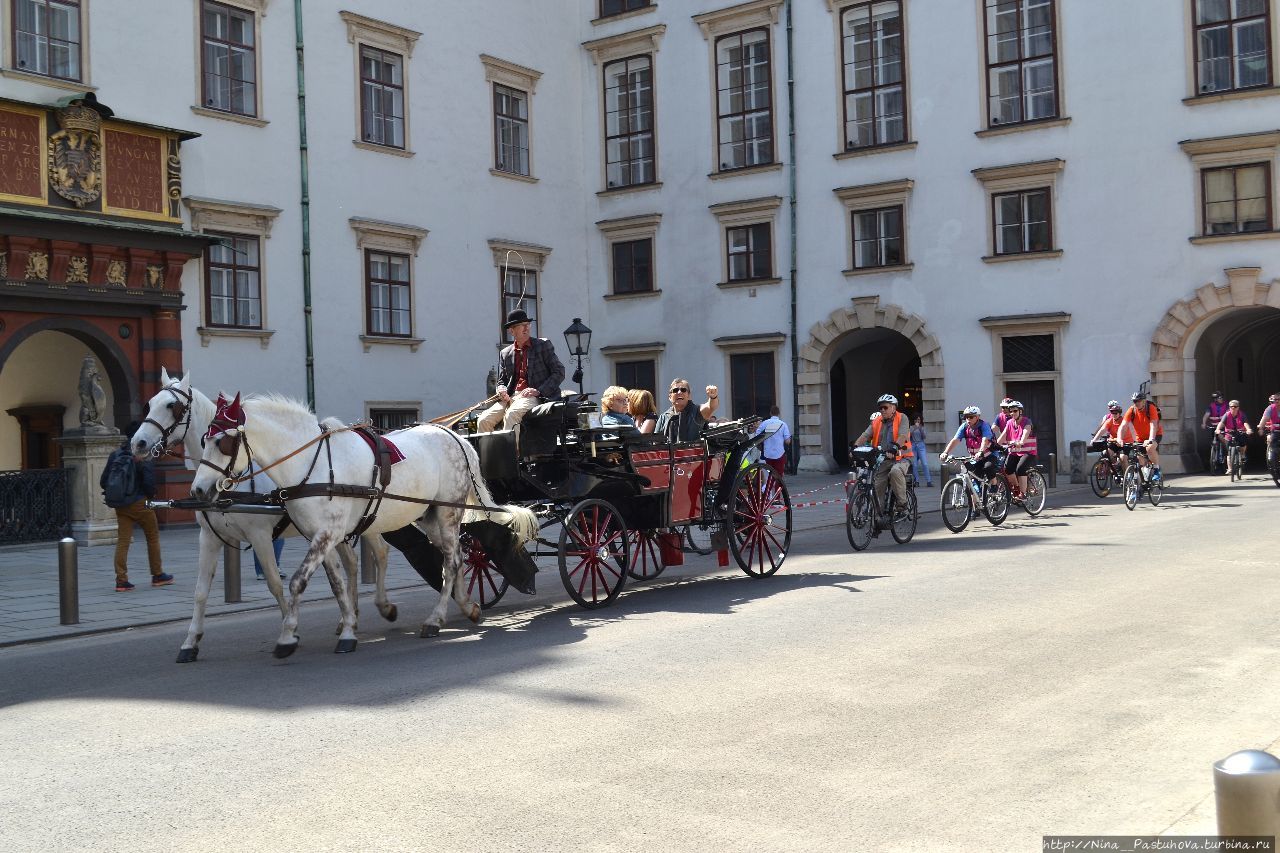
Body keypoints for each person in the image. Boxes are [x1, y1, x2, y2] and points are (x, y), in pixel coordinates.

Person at [102, 422, 173, 592]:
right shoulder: (142, 454)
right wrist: (151, 495)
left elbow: (103, 481)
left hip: (121, 505)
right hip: (141, 503)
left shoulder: (115, 455)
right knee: (152, 537)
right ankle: (157, 575)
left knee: (123, 541)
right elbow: (148, 482)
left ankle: (121, 580)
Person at [477, 308, 565, 433]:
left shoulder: (542, 345)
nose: (526, 328)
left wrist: (538, 391)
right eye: (521, 325)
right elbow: (501, 381)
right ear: (511, 330)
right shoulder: (505, 353)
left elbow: (559, 372)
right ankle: (488, 453)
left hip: (536, 396)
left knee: (512, 415)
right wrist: (501, 389)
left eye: (528, 324)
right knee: (483, 420)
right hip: (511, 397)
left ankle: (512, 453)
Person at [853, 393, 913, 523]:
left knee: (895, 472)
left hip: (902, 458)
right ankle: (878, 517)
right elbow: (865, 435)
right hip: (884, 460)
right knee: (877, 484)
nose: (882, 410)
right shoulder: (877, 421)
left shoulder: (902, 418)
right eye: (880, 408)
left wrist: (895, 447)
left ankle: (902, 507)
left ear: (893, 407)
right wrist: (855, 447)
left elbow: (903, 435)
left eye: (885, 407)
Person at [939, 405, 1000, 485]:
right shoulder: (964, 427)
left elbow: (985, 440)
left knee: (988, 468)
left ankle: (994, 486)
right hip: (975, 457)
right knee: (974, 479)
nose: (968, 419)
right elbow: (955, 440)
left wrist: (981, 451)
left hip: (990, 455)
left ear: (977, 417)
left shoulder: (984, 425)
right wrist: (945, 452)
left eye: (971, 417)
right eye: (966, 417)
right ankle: (975, 496)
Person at [655, 378, 719, 442]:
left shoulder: (696, 411)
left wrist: (713, 397)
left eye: (683, 390)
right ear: (670, 397)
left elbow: (710, 407)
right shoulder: (663, 417)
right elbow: (655, 442)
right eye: (675, 390)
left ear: (689, 395)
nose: (679, 392)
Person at [996, 400, 1036, 500]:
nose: (1012, 413)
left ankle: (1023, 493)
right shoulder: (1009, 423)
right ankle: (1017, 488)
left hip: (1028, 452)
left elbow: (1025, 433)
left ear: (1020, 411)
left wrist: (1021, 442)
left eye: (1015, 411)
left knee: (1020, 468)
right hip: (1014, 452)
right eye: (1011, 411)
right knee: (1007, 469)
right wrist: (994, 445)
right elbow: (1002, 436)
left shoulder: (1027, 422)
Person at [1120, 391, 1163, 482]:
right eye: (1135, 401)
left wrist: (1151, 439)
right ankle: (1138, 489)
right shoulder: (1132, 410)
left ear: (1144, 401)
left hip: (1155, 434)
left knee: (1150, 448)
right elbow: (1123, 425)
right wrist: (1119, 438)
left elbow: (1153, 424)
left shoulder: (1150, 408)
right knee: (1140, 462)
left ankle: (1156, 470)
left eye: (1139, 401)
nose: (1137, 403)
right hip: (1140, 438)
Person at [1215, 399, 1253, 476]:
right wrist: (1218, 429)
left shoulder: (1242, 414)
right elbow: (1221, 423)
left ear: (1238, 407)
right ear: (1229, 407)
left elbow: (1245, 423)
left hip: (1240, 432)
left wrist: (1248, 429)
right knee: (1229, 452)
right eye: (1231, 407)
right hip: (1229, 434)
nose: (1233, 408)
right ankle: (1230, 469)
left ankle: (1242, 454)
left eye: (1235, 406)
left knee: (1243, 443)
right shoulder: (1227, 415)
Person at [753, 405, 791, 477]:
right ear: (779, 413)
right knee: (779, 475)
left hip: (767, 453)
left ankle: (769, 487)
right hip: (779, 453)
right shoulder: (783, 424)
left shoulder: (764, 423)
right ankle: (777, 488)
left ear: (770, 413)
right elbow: (787, 441)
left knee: (769, 475)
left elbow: (757, 436)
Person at [1090, 400, 1128, 472]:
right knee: (1105, 453)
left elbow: (1124, 432)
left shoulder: (1123, 421)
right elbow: (1102, 428)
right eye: (1111, 411)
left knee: (1122, 457)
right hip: (1112, 439)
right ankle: (1114, 465)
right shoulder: (1108, 419)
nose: (1113, 414)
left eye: (1115, 412)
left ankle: (1125, 474)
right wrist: (1094, 439)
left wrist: (1119, 439)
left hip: (1123, 441)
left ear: (1119, 413)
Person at [1201, 391, 1229, 473]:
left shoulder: (1226, 405)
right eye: (1220, 398)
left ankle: (1227, 453)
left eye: (1222, 397)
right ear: (1216, 399)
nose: (1222, 399)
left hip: (1223, 427)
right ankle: (1214, 456)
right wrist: (1203, 423)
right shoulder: (1211, 406)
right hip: (1214, 427)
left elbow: (1228, 414)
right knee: (1214, 441)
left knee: (1224, 441)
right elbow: (1206, 415)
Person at [908, 414, 932, 487]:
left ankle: (929, 481)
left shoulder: (922, 427)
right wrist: (915, 428)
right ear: (914, 420)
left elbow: (924, 437)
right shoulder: (911, 427)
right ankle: (917, 481)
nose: (917, 421)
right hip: (913, 446)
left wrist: (920, 429)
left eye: (919, 419)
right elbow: (908, 436)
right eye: (916, 419)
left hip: (921, 445)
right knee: (914, 464)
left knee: (924, 463)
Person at [1257, 393, 1280, 467]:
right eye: (1274, 400)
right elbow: (1264, 419)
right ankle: (1271, 454)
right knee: (1270, 439)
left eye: (1278, 400)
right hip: (1272, 430)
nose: (1275, 402)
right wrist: (1261, 427)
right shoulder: (1269, 409)